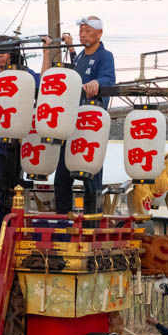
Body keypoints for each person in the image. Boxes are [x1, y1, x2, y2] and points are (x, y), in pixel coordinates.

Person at [42, 16, 115, 214]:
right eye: (81, 31)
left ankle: (93, 218)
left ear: (99, 33)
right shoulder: (81, 56)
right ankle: (63, 216)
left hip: (90, 124)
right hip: (72, 121)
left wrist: (98, 83)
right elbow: (74, 75)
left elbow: (108, 78)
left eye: (87, 31)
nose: (82, 34)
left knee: (91, 176)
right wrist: (69, 50)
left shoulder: (105, 56)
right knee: (62, 176)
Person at [0, 34, 40, 230]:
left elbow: (43, 83)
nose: (0, 57)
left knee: (12, 187)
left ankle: (6, 225)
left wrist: (48, 54)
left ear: (12, 54)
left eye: (3, 52)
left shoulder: (24, 74)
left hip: (16, 142)